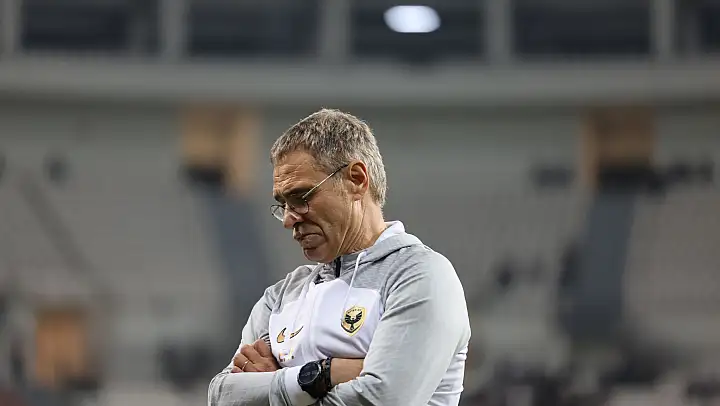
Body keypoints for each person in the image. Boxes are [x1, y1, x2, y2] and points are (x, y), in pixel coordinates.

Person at [208, 109, 471, 406]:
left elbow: (382, 400)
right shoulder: (280, 297)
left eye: (301, 198)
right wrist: (323, 374)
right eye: (283, 204)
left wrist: (275, 385)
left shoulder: (421, 276)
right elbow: (221, 396)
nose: (288, 219)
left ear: (356, 179)